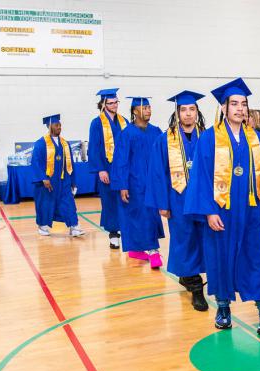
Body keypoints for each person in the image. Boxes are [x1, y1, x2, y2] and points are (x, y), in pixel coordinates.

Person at [184, 78, 260, 334]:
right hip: (222, 211)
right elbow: (200, 177)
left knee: (257, 259)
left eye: (243, 104)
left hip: (251, 211)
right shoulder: (209, 138)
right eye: (234, 104)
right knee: (221, 258)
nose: (240, 109)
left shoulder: (253, 138)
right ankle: (223, 308)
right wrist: (209, 211)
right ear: (224, 108)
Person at [146, 90, 209, 312]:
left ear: (197, 112)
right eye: (184, 110)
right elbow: (157, 173)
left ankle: (191, 275)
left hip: (204, 200)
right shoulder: (165, 140)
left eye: (192, 109)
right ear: (177, 113)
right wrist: (162, 203)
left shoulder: (208, 137)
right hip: (178, 199)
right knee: (184, 240)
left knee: (204, 239)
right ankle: (195, 286)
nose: (188, 114)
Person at [111, 97, 165, 268]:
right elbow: (120, 161)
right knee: (136, 216)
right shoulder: (126, 134)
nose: (148, 111)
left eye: (149, 107)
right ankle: (148, 250)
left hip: (153, 182)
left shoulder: (156, 132)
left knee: (150, 215)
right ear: (135, 111)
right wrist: (122, 185)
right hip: (134, 182)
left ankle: (146, 249)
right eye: (144, 108)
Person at [31, 114, 85, 238]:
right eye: (56, 125)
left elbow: (71, 164)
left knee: (69, 202)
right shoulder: (40, 143)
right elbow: (36, 162)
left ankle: (74, 227)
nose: (59, 127)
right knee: (46, 203)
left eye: (60, 125)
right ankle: (43, 226)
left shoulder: (64, 143)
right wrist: (43, 177)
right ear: (49, 126)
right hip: (48, 181)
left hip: (63, 180)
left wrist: (73, 182)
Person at [87, 88, 128, 250]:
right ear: (103, 105)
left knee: (125, 199)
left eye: (116, 102)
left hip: (123, 168)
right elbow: (94, 148)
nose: (115, 105)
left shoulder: (124, 121)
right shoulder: (96, 123)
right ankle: (113, 234)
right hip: (107, 168)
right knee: (110, 201)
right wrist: (100, 169)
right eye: (111, 103)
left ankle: (127, 230)